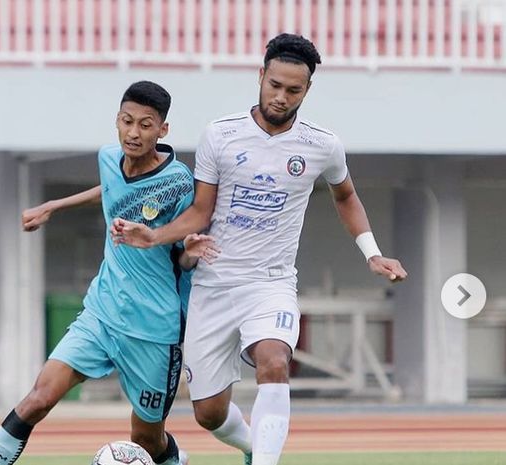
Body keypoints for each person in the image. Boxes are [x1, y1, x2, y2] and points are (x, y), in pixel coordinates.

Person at [111, 34, 408, 465]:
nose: (281, 97)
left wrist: (372, 252)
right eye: (275, 85)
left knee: (274, 360)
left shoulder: (322, 145)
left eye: (293, 90)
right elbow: (200, 210)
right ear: (261, 76)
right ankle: (253, 447)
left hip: (270, 283)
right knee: (208, 414)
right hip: (212, 285)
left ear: (307, 91)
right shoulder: (221, 135)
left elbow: (345, 196)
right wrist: (156, 236)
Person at [0, 81, 212, 465]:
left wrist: (184, 251)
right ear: (117, 121)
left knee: (147, 440)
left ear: (163, 130)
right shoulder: (108, 158)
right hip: (101, 314)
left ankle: (174, 459)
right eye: (127, 121)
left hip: (154, 328)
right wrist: (54, 205)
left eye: (146, 125)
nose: (134, 133)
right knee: (39, 398)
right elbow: (112, 188)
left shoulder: (178, 183)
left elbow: (185, 258)